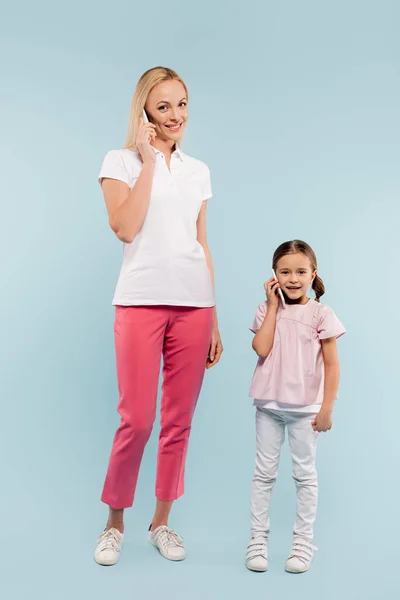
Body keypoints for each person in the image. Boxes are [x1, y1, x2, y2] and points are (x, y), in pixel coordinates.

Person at [94, 66, 223, 566]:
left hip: (195, 304)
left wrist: (214, 317)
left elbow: (202, 244)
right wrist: (148, 160)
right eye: (164, 105)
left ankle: (162, 523)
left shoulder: (198, 170)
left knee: (178, 420)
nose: (176, 115)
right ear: (145, 111)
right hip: (140, 300)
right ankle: (114, 523)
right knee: (138, 419)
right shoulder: (119, 161)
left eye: (183, 104)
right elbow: (125, 227)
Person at [245, 240, 345, 574]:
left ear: (312, 274)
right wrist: (273, 307)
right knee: (264, 474)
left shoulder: (321, 314)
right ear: (273, 276)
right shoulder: (265, 310)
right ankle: (257, 540)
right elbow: (260, 348)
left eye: (300, 271)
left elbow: (332, 364)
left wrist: (326, 408)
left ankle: (302, 542)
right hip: (269, 406)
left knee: (305, 476)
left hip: (306, 410)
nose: (293, 278)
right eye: (284, 271)